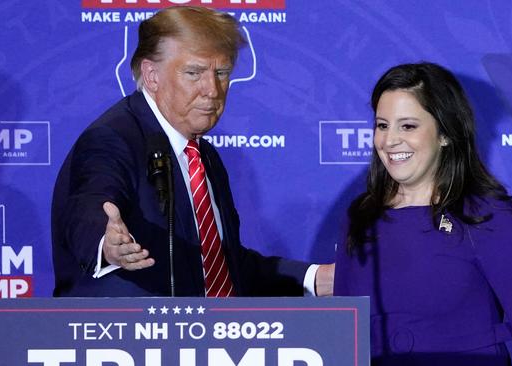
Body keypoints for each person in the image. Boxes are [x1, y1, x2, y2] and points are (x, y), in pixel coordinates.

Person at [51, 6, 334, 298]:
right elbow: (89, 206)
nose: (212, 89)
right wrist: (107, 245)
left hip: (203, 337)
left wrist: (315, 278)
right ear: (152, 76)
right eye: (194, 72)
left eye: (221, 72)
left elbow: (217, 268)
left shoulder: (201, 154)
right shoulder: (112, 138)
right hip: (127, 337)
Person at [333, 62, 512, 365]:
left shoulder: (484, 216)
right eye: (382, 125)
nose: (389, 140)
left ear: (445, 134)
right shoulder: (360, 217)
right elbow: (342, 337)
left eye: (408, 126)